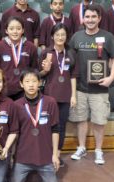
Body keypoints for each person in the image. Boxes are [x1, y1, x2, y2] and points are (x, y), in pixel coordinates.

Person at [68, 5, 114, 165]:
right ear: (83, 19)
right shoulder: (76, 37)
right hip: (80, 89)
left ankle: (98, 150)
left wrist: (111, 77)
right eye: (87, 17)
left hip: (100, 89)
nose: (90, 20)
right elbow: (70, 59)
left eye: (93, 17)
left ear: (99, 18)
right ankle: (82, 147)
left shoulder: (108, 37)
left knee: (99, 121)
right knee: (81, 119)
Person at [10, 69, 60, 182]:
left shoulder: (50, 102)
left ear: (40, 83)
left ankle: (41, 170)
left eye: (34, 81)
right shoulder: (16, 105)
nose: (31, 85)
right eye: (27, 81)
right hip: (23, 157)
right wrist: (12, 155)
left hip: (44, 156)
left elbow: (55, 129)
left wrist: (54, 155)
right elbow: (14, 132)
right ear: (21, 84)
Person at [39, 23, 77, 166]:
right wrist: (44, 70)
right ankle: (45, 153)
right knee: (46, 126)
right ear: (52, 37)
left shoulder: (71, 53)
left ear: (67, 36)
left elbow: (73, 75)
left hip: (65, 96)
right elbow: (39, 75)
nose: (60, 37)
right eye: (57, 35)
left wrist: (73, 95)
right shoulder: (46, 53)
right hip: (48, 96)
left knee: (61, 126)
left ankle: (57, 154)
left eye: (63, 34)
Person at [0, 16, 38, 100]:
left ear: (23, 30)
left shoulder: (31, 47)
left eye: (18, 28)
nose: (15, 31)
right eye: (11, 29)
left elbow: (34, 70)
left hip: (24, 91)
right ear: (6, 31)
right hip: (4, 90)